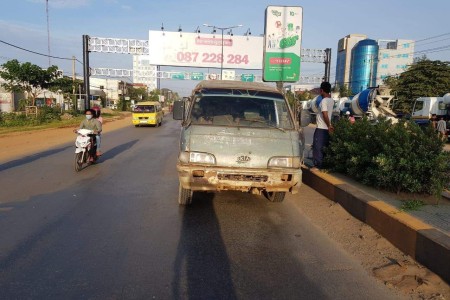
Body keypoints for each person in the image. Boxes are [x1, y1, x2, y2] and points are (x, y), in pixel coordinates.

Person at [312, 81, 334, 169]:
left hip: (321, 128)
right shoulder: (331, 100)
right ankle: (324, 165)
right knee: (324, 147)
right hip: (326, 129)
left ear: (321, 90)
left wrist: (329, 125)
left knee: (318, 147)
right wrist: (330, 126)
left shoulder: (324, 101)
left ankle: (317, 166)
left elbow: (325, 114)